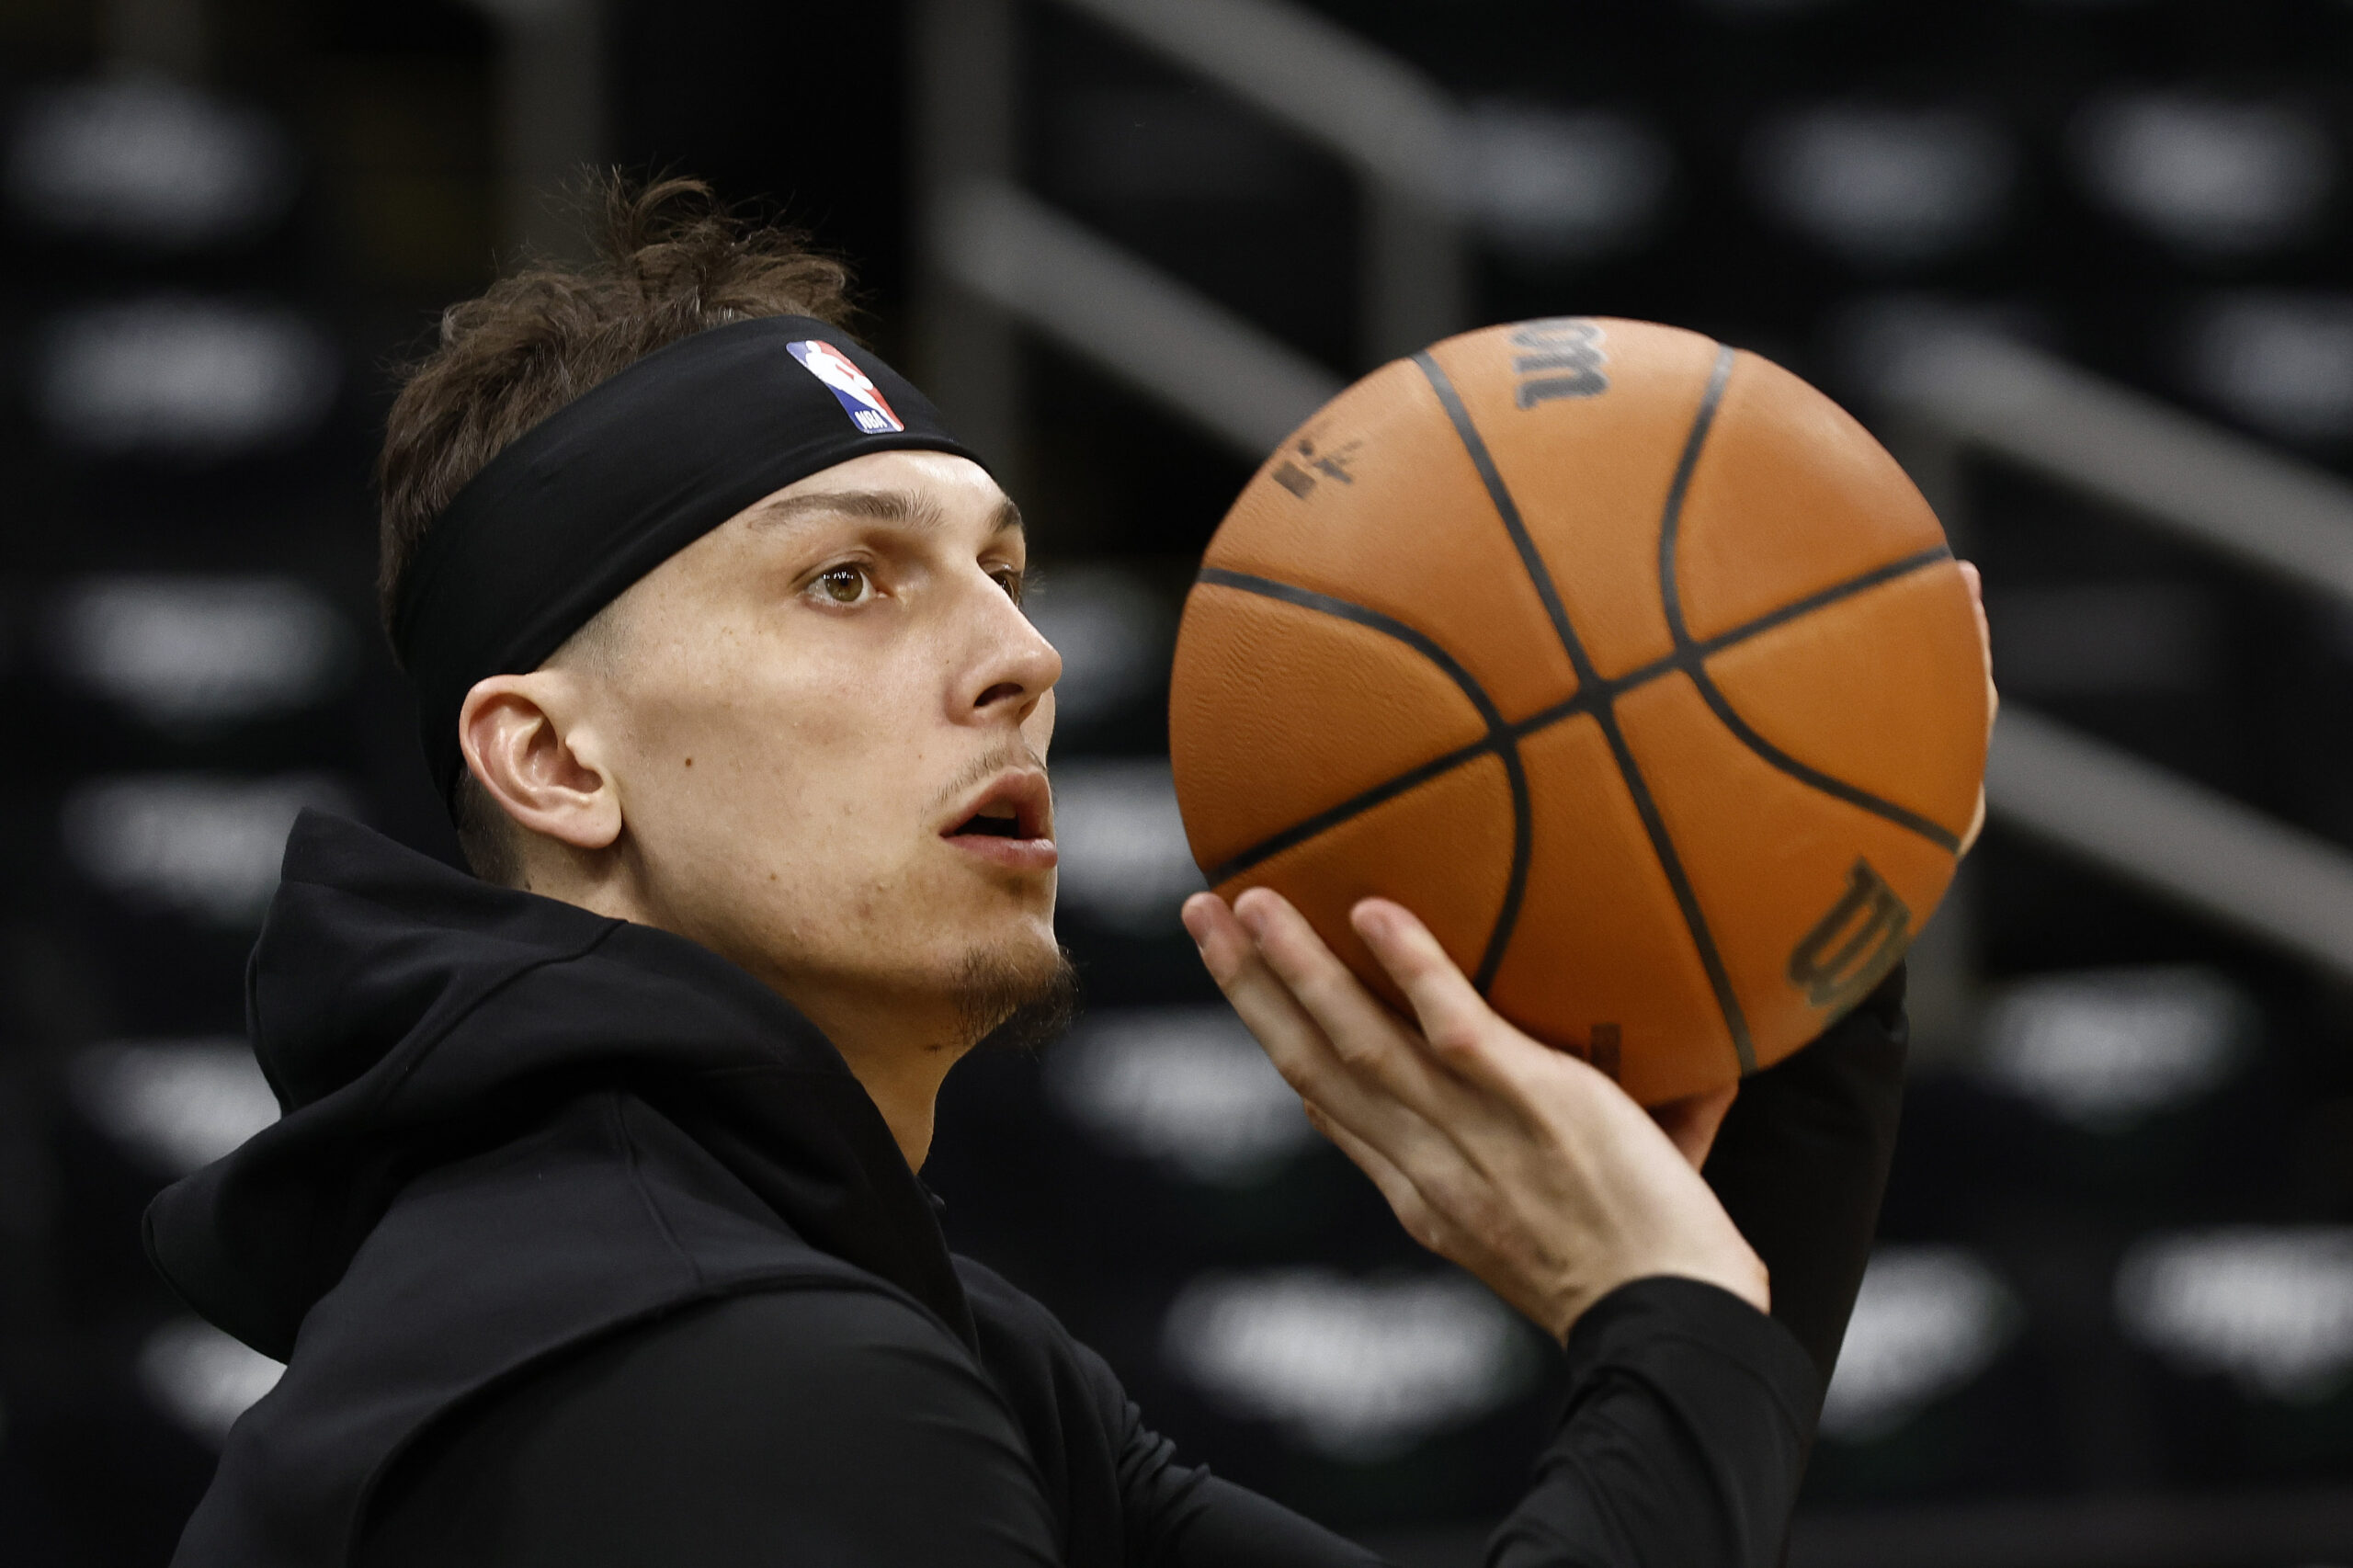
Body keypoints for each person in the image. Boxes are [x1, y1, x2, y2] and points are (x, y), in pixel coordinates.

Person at [145, 177, 1955, 1568]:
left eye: (1001, 565)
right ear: (552, 760)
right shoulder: (703, 1368)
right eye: (849, 578)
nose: (1024, 653)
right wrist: (1675, 1329)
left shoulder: (785, 1300)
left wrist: (1800, 921)